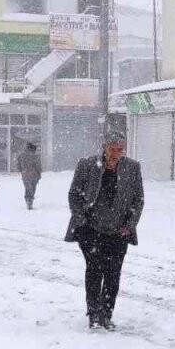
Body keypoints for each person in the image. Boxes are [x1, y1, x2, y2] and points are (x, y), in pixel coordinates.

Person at [65, 131, 144, 330]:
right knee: (94, 270)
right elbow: (74, 194)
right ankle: (93, 313)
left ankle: (106, 313)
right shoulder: (87, 165)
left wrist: (129, 225)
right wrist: (81, 221)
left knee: (112, 274)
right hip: (91, 230)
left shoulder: (132, 168)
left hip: (119, 232)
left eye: (120, 149)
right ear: (104, 147)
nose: (117, 153)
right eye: (113, 149)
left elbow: (138, 199)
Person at [18, 142, 43, 210]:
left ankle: (28, 200)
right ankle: (30, 201)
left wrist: (22, 171)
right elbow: (38, 166)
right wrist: (39, 173)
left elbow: (18, 166)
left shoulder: (21, 155)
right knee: (32, 188)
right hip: (34, 175)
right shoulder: (35, 156)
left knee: (27, 188)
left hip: (25, 175)